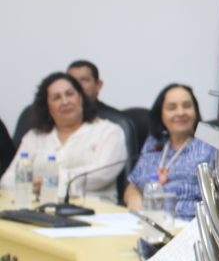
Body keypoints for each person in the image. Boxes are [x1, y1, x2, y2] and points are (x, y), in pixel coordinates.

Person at [0, 72, 127, 202]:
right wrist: (32, 184)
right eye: (56, 98)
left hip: (92, 207)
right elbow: (7, 180)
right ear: (47, 106)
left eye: (69, 94)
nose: (65, 102)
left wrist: (50, 181)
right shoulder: (34, 136)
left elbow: (102, 176)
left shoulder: (108, 132)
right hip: (39, 207)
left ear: (81, 98)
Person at [125, 83, 216, 220]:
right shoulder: (154, 143)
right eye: (172, 107)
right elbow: (133, 185)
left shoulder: (209, 147)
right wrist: (134, 200)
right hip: (149, 221)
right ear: (160, 113)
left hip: (189, 224)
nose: (180, 112)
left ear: (195, 111)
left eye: (187, 106)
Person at [67, 59, 138, 161]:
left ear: (98, 85)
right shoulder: (55, 121)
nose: (77, 85)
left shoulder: (115, 122)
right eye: (72, 81)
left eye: (84, 80)